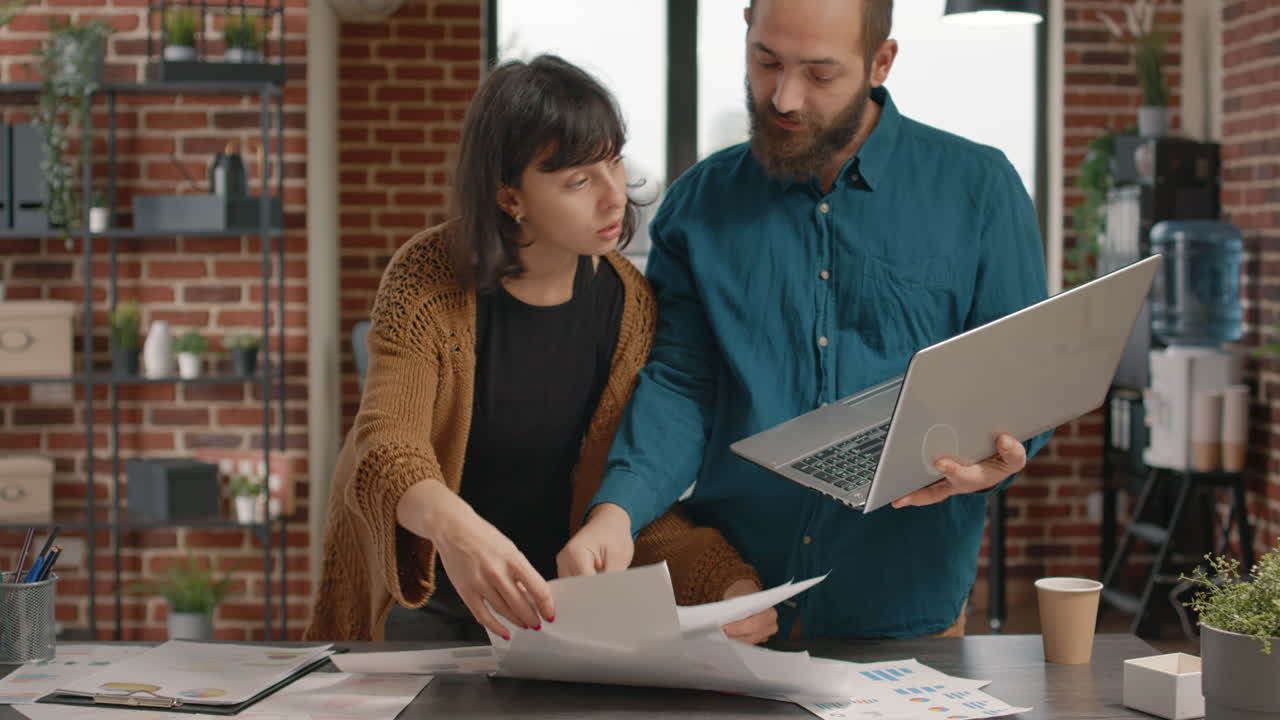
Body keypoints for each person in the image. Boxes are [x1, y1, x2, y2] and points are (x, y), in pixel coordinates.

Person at [559, 0, 1052, 640]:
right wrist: (617, 512)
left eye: (819, 74)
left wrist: (997, 456)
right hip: (736, 601)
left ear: (881, 62)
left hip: (905, 604)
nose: (784, 98)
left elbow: (1022, 381)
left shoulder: (981, 189)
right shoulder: (698, 206)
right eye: (766, 62)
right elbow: (681, 384)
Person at [304, 55, 775, 644]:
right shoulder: (426, 278)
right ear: (510, 197)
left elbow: (620, 508)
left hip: (547, 614)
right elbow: (383, 448)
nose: (614, 197)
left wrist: (724, 583)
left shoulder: (629, 307)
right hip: (422, 597)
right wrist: (457, 529)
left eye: (613, 161)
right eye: (578, 181)